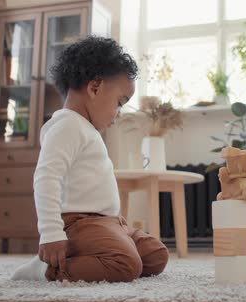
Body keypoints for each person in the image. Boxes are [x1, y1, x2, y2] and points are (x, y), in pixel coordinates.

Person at [11, 36, 169, 281]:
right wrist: (51, 233)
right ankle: (47, 270)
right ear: (95, 87)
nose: (118, 115)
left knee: (156, 255)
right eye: (119, 103)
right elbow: (46, 177)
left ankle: (99, 252)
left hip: (109, 222)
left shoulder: (85, 128)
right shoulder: (67, 126)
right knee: (126, 265)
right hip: (80, 223)